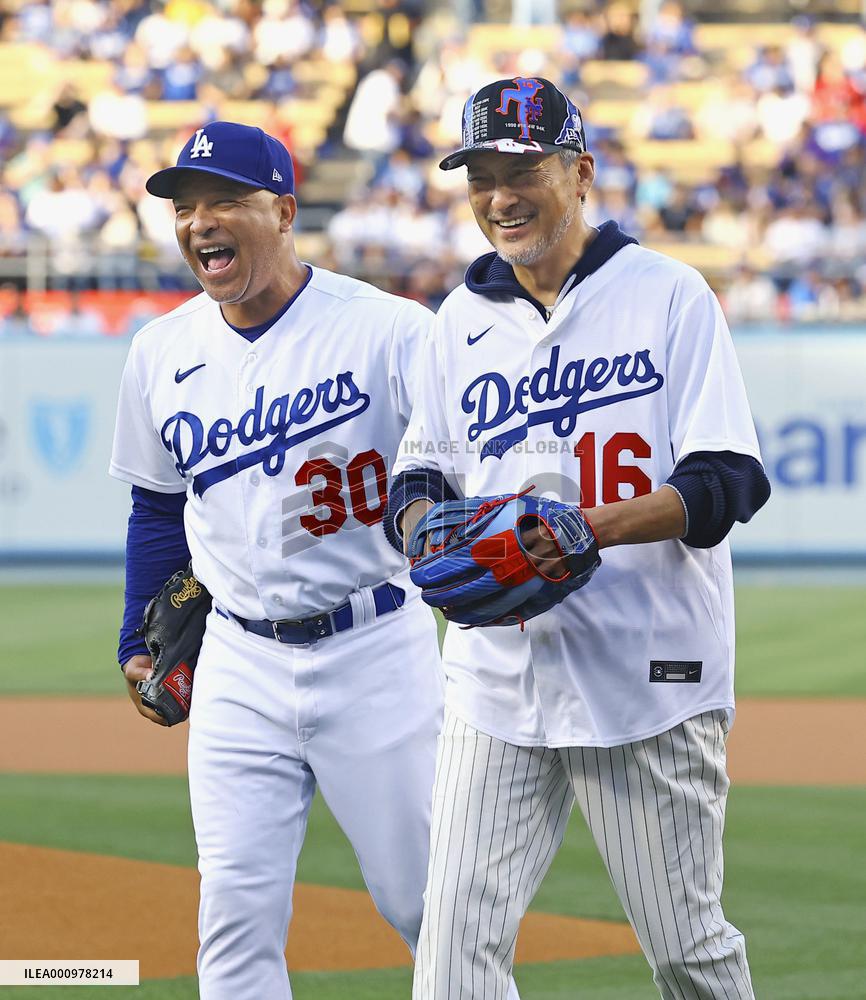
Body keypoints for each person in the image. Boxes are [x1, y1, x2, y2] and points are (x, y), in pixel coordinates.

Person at [384, 78, 771, 999]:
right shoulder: (459, 322)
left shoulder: (669, 296)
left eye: (523, 170)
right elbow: (421, 478)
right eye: (481, 174)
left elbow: (727, 480)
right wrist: (425, 528)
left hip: (648, 677)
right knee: (451, 956)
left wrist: (579, 532)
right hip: (495, 684)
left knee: (687, 953)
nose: (500, 195)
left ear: (581, 172)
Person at [109, 121, 446, 1000]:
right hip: (236, 661)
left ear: (285, 210)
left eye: (225, 200)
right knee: (234, 919)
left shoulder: (389, 331)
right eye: (186, 207)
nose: (200, 222)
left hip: (375, 646)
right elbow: (157, 507)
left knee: (432, 910)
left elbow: (456, 472)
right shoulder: (160, 350)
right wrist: (133, 635)